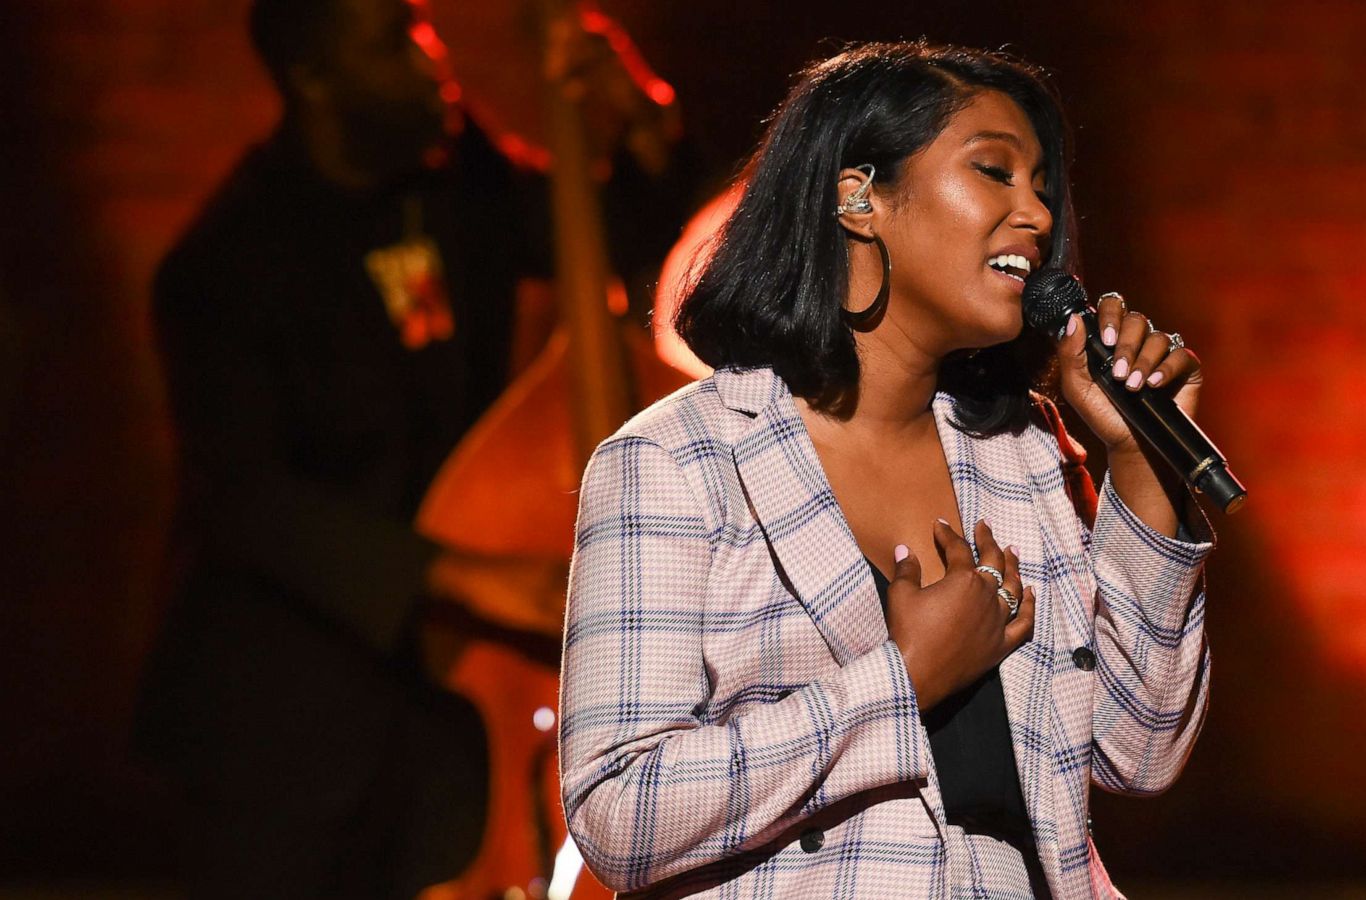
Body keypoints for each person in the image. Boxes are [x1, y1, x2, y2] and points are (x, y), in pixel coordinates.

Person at [559, 41, 1214, 899]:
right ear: (859, 197)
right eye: (995, 172)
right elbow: (621, 814)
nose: (1039, 216)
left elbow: (1140, 751)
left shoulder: (1024, 453)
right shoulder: (678, 463)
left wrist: (1137, 468)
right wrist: (901, 680)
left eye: (1044, 188)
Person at [133, 0, 695, 895]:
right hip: (275, 718)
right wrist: (468, 572)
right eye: (390, 40)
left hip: (437, 710)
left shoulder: (451, 173)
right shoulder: (222, 263)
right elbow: (245, 497)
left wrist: (641, 114)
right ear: (313, 78)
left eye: (421, 27)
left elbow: (610, 231)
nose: (431, 60)